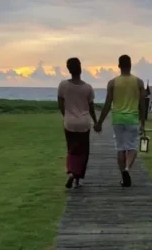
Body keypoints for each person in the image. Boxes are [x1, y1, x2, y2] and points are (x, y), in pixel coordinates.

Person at [94, 55, 146, 187]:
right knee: (132, 147)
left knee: (120, 148)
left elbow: (107, 104)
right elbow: (142, 104)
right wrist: (143, 122)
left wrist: (99, 122)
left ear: (119, 66)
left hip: (117, 119)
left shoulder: (112, 83)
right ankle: (127, 169)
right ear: (130, 65)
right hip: (132, 118)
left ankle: (123, 175)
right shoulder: (139, 82)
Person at [57, 57, 97, 189]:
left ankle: (71, 172)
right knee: (83, 151)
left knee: (71, 149)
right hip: (84, 123)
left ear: (69, 70)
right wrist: (96, 122)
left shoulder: (63, 85)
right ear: (80, 68)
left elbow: (61, 103)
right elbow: (91, 107)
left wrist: (67, 115)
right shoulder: (88, 88)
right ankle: (78, 179)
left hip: (69, 122)